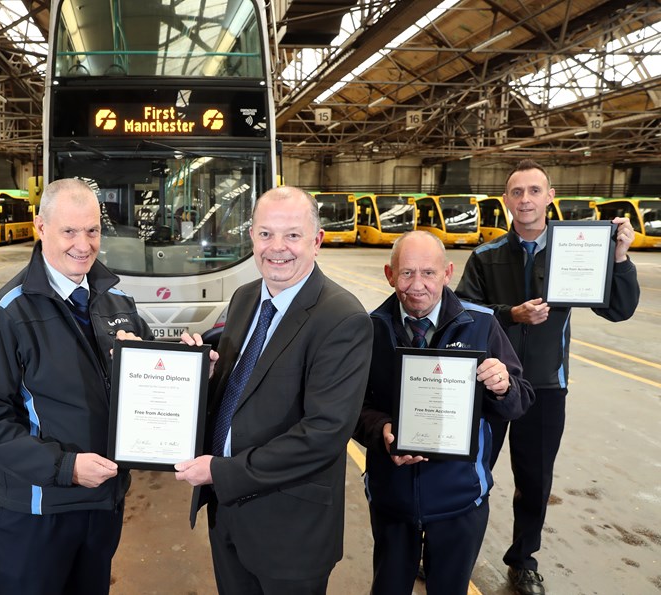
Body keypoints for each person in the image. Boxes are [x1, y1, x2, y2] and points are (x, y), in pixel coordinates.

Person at [0, 178, 154, 595]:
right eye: (69, 231)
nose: (83, 245)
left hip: (103, 500)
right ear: (40, 227)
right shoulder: (7, 314)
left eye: (92, 231)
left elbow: (150, 380)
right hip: (38, 508)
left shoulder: (117, 301)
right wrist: (64, 468)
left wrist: (193, 369)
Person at [174, 186, 373, 595]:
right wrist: (203, 377)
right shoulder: (246, 298)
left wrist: (221, 472)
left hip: (290, 530)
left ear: (316, 241)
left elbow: (323, 434)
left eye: (292, 235)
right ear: (251, 238)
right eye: (265, 234)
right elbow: (242, 392)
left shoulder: (342, 318)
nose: (277, 248)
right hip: (228, 515)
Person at [456, 159, 640, 595]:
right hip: (489, 384)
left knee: (534, 481)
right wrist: (511, 314)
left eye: (534, 191)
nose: (525, 200)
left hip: (544, 387)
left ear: (550, 196)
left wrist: (618, 256)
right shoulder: (485, 257)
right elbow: (464, 312)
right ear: (506, 200)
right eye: (516, 192)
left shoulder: (578, 250)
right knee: (469, 472)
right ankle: (450, 548)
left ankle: (523, 560)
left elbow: (618, 309)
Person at [354, 231, 535, 595]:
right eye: (406, 273)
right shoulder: (370, 329)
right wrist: (383, 428)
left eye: (428, 273)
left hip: (460, 499)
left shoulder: (481, 324)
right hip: (393, 499)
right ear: (390, 275)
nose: (416, 285)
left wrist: (503, 386)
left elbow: (520, 402)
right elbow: (354, 408)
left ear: (448, 272)